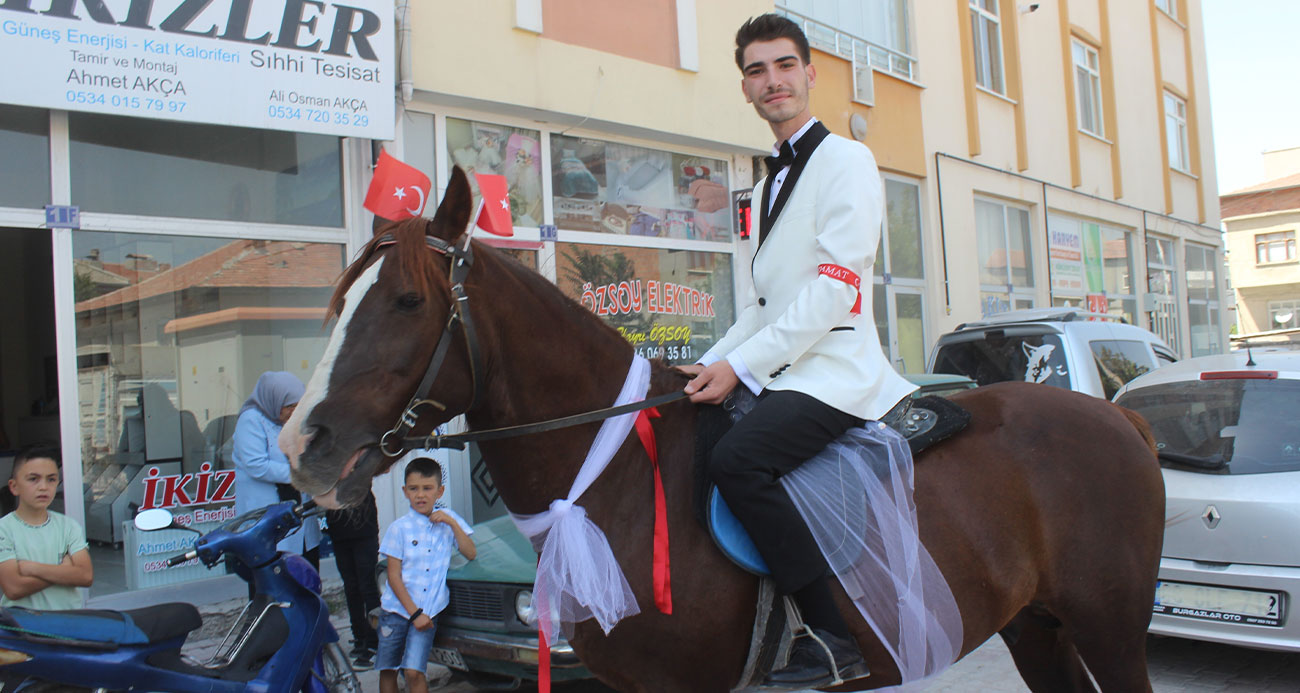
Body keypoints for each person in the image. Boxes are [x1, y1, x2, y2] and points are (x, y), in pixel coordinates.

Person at [681, 14, 918, 688]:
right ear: (746, 88)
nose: (772, 80)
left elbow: (833, 293)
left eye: (784, 65)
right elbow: (763, 306)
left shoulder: (848, 160)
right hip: (784, 371)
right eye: (756, 70)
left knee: (738, 457)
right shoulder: (763, 187)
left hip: (838, 373)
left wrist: (741, 367)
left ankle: (832, 637)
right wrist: (709, 359)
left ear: (810, 74)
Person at [377, 458, 475, 693]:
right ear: (405, 491)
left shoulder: (448, 521)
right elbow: (393, 577)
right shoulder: (398, 528)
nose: (420, 495)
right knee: (389, 668)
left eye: (427, 488)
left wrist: (451, 523)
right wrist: (414, 613)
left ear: (439, 491)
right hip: (397, 611)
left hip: (429, 611)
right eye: (413, 489)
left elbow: (470, 552)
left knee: (413, 671)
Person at [232, 372, 321, 571]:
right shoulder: (251, 420)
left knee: (306, 576)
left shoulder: (294, 422)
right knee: (274, 580)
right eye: (289, 406)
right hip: (267, 518)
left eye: (298, 406)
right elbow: (256, 464)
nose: (294, 412)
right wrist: (301, 473)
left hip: (298, 513)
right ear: (273, 399)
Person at [0, 445, 93, 610]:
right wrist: (64, 571)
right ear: (14, 486)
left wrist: (32, 568)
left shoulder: (68, 526)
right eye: (33, 479)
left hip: (68, 622)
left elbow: (85, 576)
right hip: (23, 627)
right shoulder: (4, 529)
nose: (43, 487)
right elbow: (14, 588)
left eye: (51, 479)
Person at [325, 489, 381, 671]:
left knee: (368, 586)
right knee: (350, 586)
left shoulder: (359, 459)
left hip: (363, 523)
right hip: (338, 524)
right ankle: (360, 637)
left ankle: (375, 642)